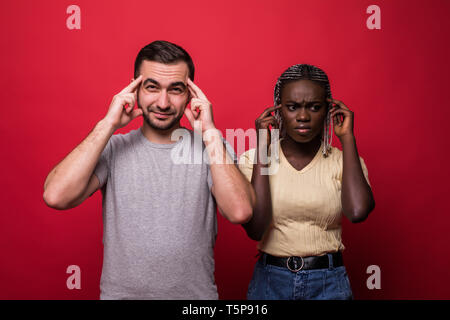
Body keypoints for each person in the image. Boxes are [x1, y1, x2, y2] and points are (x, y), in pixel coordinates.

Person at [43, 40, 255, 299]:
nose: (163, 103)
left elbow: (240, 211)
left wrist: (210, 132)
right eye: (152, 87)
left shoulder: (211, 148)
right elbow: (56, 196)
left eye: (175, 89)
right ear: (135, 90)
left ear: (191, 95)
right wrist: (108, 123)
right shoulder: (112, 147)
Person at [238, 64, 375, 300]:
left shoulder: (345, 161)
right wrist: (263, 147)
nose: (303, 116)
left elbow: (357, 211)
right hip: (271, 282)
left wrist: (348, 139)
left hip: (329, 283)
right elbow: (256, 228)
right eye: (292, 107)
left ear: (328, 110)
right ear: (278, 111)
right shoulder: (252, 159)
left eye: (314, 107)